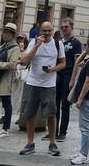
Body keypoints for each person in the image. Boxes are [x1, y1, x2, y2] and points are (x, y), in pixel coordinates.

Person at [18, 21, 66, 156]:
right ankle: (30, 143)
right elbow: (24, 61)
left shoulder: (58, 44)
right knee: (29, 113)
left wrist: (52, 70)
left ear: (52, 31)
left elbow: (63, 63)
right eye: (44, 31)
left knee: (51, 114)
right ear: (40, 31)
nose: (46, 33)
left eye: (49, 31)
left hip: (49, 84)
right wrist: (36, 46)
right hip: (32, 82)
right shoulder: (34, 43)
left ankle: (52, 143)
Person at [69, 36, 89, 164]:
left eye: (86, 46)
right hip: (88, 98)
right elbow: (77, 63)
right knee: (84, 126)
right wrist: (85, 52)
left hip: (88, 98)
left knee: (85, 127)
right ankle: (82, 151)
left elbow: (88, 82)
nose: (84, 47)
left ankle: (84, 154)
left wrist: (80, 98)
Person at [55, 19, 83, 142]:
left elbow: (77, 63)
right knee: (54, 104)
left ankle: (62, 131)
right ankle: (53, 130)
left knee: (65, 105)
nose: (64, 29)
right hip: (57, 75)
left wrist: (73, 80)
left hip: (67, 75)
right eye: (62, 27)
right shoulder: (59, 42)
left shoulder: (76, 43)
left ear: (71, 27)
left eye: (66, 27)